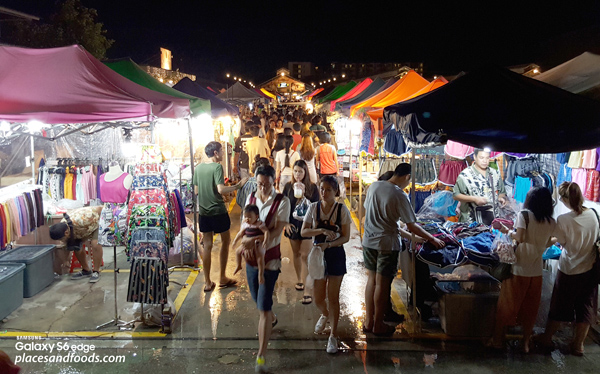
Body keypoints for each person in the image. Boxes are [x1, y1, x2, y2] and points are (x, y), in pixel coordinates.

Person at [362, 163, 444, 335]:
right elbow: (411, 225)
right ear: (407, 177)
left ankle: (368, 322)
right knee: (382, 286)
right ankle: (378, 325)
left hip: (369, 242)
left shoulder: (374, 186)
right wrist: (431, 238)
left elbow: (371, 214)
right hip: (386, 245)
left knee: (371, 281)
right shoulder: (399, 194)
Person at [536, 182, 599, 356]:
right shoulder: (594, 214)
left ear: (565, 199)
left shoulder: (563, 220)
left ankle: (546, 338)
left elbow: (560, 241)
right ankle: (578, 345)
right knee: (585, 307)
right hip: (591, 269)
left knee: (559, 306)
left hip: (569, 270)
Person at [491, 187, 556, 352]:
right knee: (530, 310)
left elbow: (519, 237)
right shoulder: (551, 221)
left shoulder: (525, 215)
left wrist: (507, 231)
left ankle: (498, 341)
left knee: (506, 306)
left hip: (518, 269)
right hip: (536, 271)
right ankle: (525, 344)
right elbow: (550, 242)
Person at [240, 165, 290, 373]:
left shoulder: (282, 202)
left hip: (269, 261)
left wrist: (256, 240)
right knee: (257, 298)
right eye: (260, 184)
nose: (263, 188)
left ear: (273, 182)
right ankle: (272, 318)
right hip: (250, 259)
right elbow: (244, 224)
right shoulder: (250, 197)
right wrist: (243, 241)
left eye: (267, 184)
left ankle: (261, 356)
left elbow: (277, 230)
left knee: (263, 307)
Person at [301, 175, 351, 354]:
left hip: (335, 254)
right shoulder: (313, 208)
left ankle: (333, 336)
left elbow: (345, 236)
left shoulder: (341, 209)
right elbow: (304, 230)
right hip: (317, 255)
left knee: (333, 298)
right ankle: (325, 314)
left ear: (335, 191)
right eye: (322, 189)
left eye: (328, 190)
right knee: (318, 297)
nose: (324, 193)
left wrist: (329, 244)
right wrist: (321, 230)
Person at [193, 141, 248, 292]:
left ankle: (207, 281)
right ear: (216, 153)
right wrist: (238, 186)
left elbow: (196, 191)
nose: (223, 154)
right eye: (221, 151)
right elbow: (221, 189)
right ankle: (223, 277)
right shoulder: (217, 167)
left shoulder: (198, 169)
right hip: (218, 211)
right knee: (225, 241)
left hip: (203, 213)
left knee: (208, 245)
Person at [283, 160, 320, 304]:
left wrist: (304, 194)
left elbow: (316, 208)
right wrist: (285, 223)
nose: (298, 174)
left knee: (305, 255)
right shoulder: (287, 187)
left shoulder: (313, 188)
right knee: (296, 253)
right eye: (296, 171)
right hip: (293, 225)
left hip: (307, 226)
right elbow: (283, 206)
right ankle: (300, 279)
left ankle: (307, 291)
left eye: (301, 171)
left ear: (305, 172)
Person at [49, 206, 104, 283]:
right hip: (81, 230)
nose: (61, 241)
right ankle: (86, 270)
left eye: (61, 239)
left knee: (95, 244)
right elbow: (66, 246)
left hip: (96, 223)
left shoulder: (83, 219)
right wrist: (65, 261)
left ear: (66, 233)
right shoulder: (62, 227)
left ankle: (96, 271)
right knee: (75, 246)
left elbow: (100, 209)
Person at [453, 148, 508, 223]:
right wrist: (474, 199)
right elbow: (456, 195)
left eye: (487, 158)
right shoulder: (465, 175)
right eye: (481, 158)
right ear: (475, 157)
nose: (485, 161)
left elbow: (502, 192)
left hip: (492, 220)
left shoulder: (495, 173)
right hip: (471, 222)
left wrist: (500, 198)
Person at [232, 204, 268, 282]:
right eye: (245, 217)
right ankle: (238, 265)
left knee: (260, 257)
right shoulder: (245, 224)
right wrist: (235, 241)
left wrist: (265, 241)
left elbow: (266, 232)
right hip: (246, 243)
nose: (247, 219)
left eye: (249, 217)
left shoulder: (259, 224)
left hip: (257, 244)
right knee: (237, 251)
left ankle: (260, 274)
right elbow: (240, 233)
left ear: (257, 216)